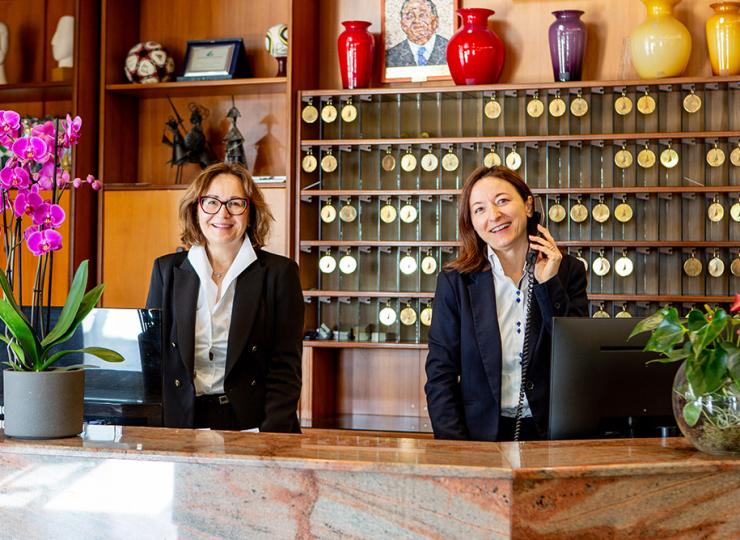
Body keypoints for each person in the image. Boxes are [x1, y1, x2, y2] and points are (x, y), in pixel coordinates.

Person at [424, 166, 588, 442]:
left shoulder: (568, 270)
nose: (494, 216)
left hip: (552, 435)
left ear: (527, 204)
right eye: (479, 210)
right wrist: (456, 450)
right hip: (480, 437)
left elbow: (578, 358)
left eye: (502, 201)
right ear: (472, 223)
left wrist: (549, 286)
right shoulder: (455, 281)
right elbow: (441, 374)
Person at [146, 162, 303, 432]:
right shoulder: (166, 270)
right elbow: (154, 359)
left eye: (235, 203)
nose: (222, 213)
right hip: (180, 423)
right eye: (211, 202)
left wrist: (267, 435)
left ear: (250, 212)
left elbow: (285, 369)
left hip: (252, 424)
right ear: (196, 209)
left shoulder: (280, 274)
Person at [386, 0, 449, 68]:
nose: (416, 20)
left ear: (435, 21)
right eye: (410, 16)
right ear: (402, 24)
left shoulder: (451, 50)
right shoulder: (389, 56)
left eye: (422, 15)